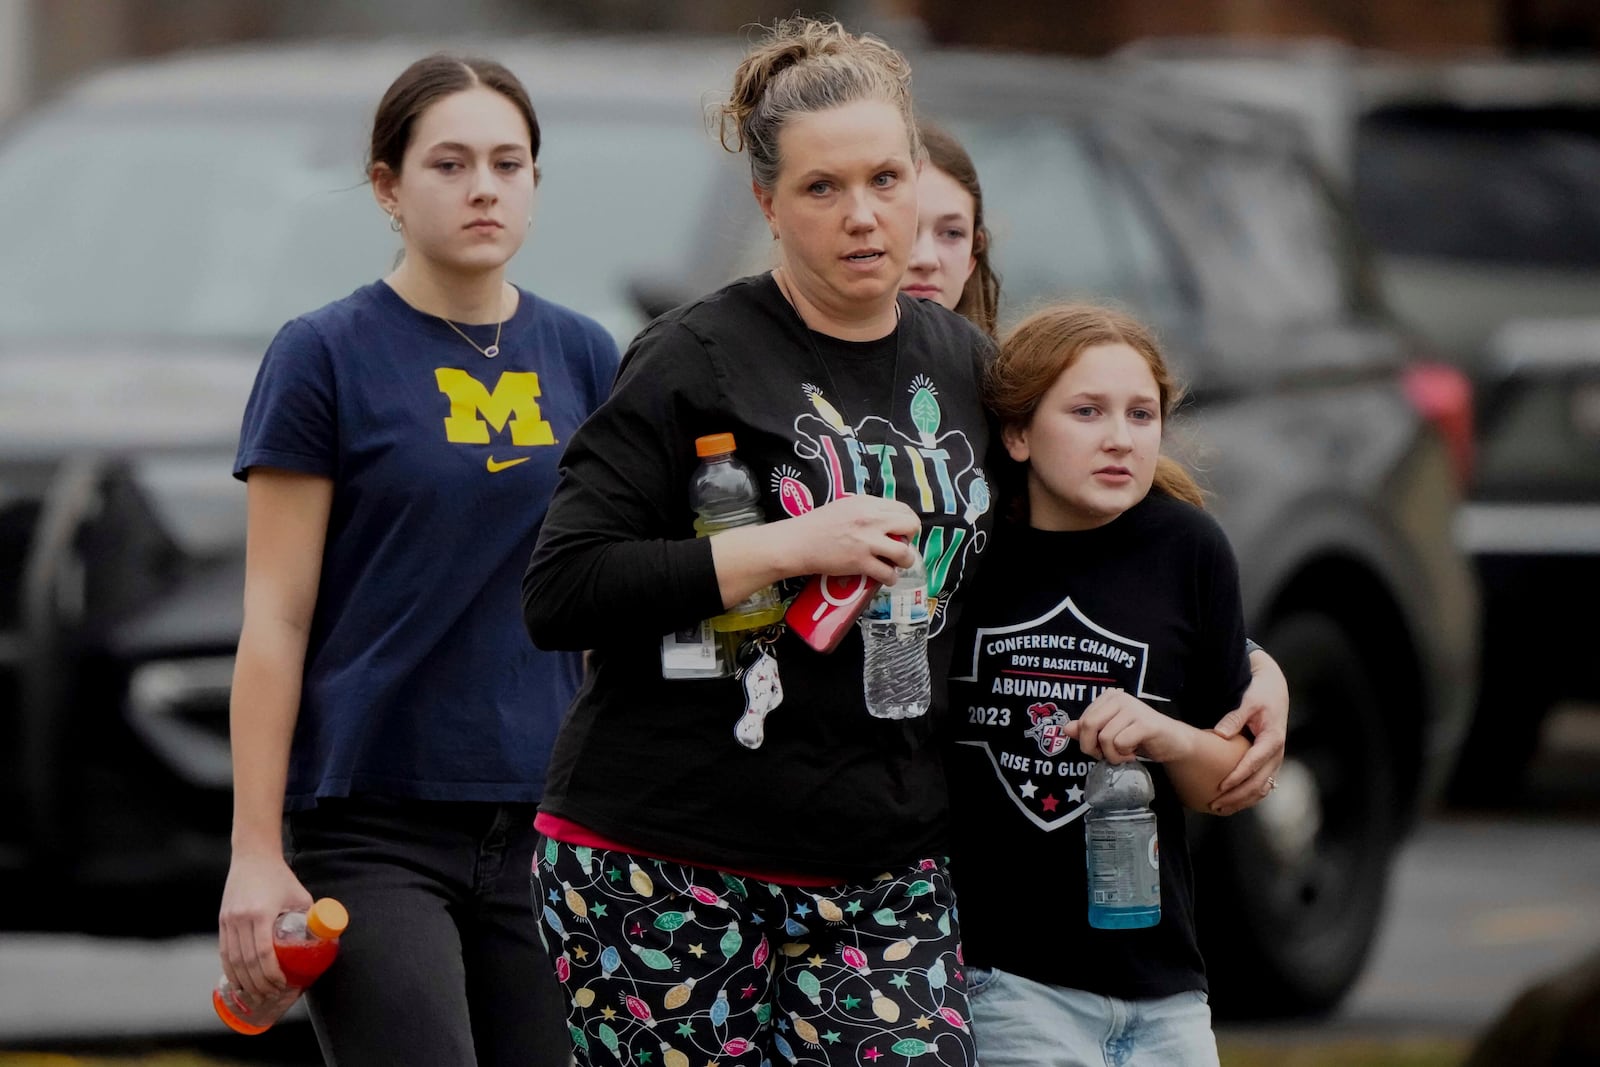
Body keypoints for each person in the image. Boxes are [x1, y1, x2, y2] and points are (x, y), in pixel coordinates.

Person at [521, 18, 990, 1066]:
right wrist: (784, 545)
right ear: (767, 203)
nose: (863, 216)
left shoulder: (964, 363)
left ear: (919, 178)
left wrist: (1240, 663)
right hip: (666, 853)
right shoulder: (694, 358)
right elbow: (561, 588)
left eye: (884, 178)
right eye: (822, 188)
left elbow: (1069, 556)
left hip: (884, 866)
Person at [218, 54, 619, 1066]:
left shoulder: (585, 355)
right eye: (448, 163)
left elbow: (619, 591)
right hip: (371, 821)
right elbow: (274, 617)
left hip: (549, 818)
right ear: (388, 187)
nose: (483, 186)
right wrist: (255, 853)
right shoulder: (325, 354)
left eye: (508, 162)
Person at [899, 123, 1288, 814]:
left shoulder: (1006, 385)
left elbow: (1154, 612)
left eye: (952, 232)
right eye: (907, 228)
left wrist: (1252, 664)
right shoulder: (813, 390)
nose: (926, 257)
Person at [945, 303, 1255, 1065]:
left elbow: (1229, 781)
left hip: (1167, 995)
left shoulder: (1189, 547)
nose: (1120, 436)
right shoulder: (969, 555)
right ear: (1018, 434)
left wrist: (1168, 733)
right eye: (1086, 411)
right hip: (1012, 988)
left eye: (1141, 413)